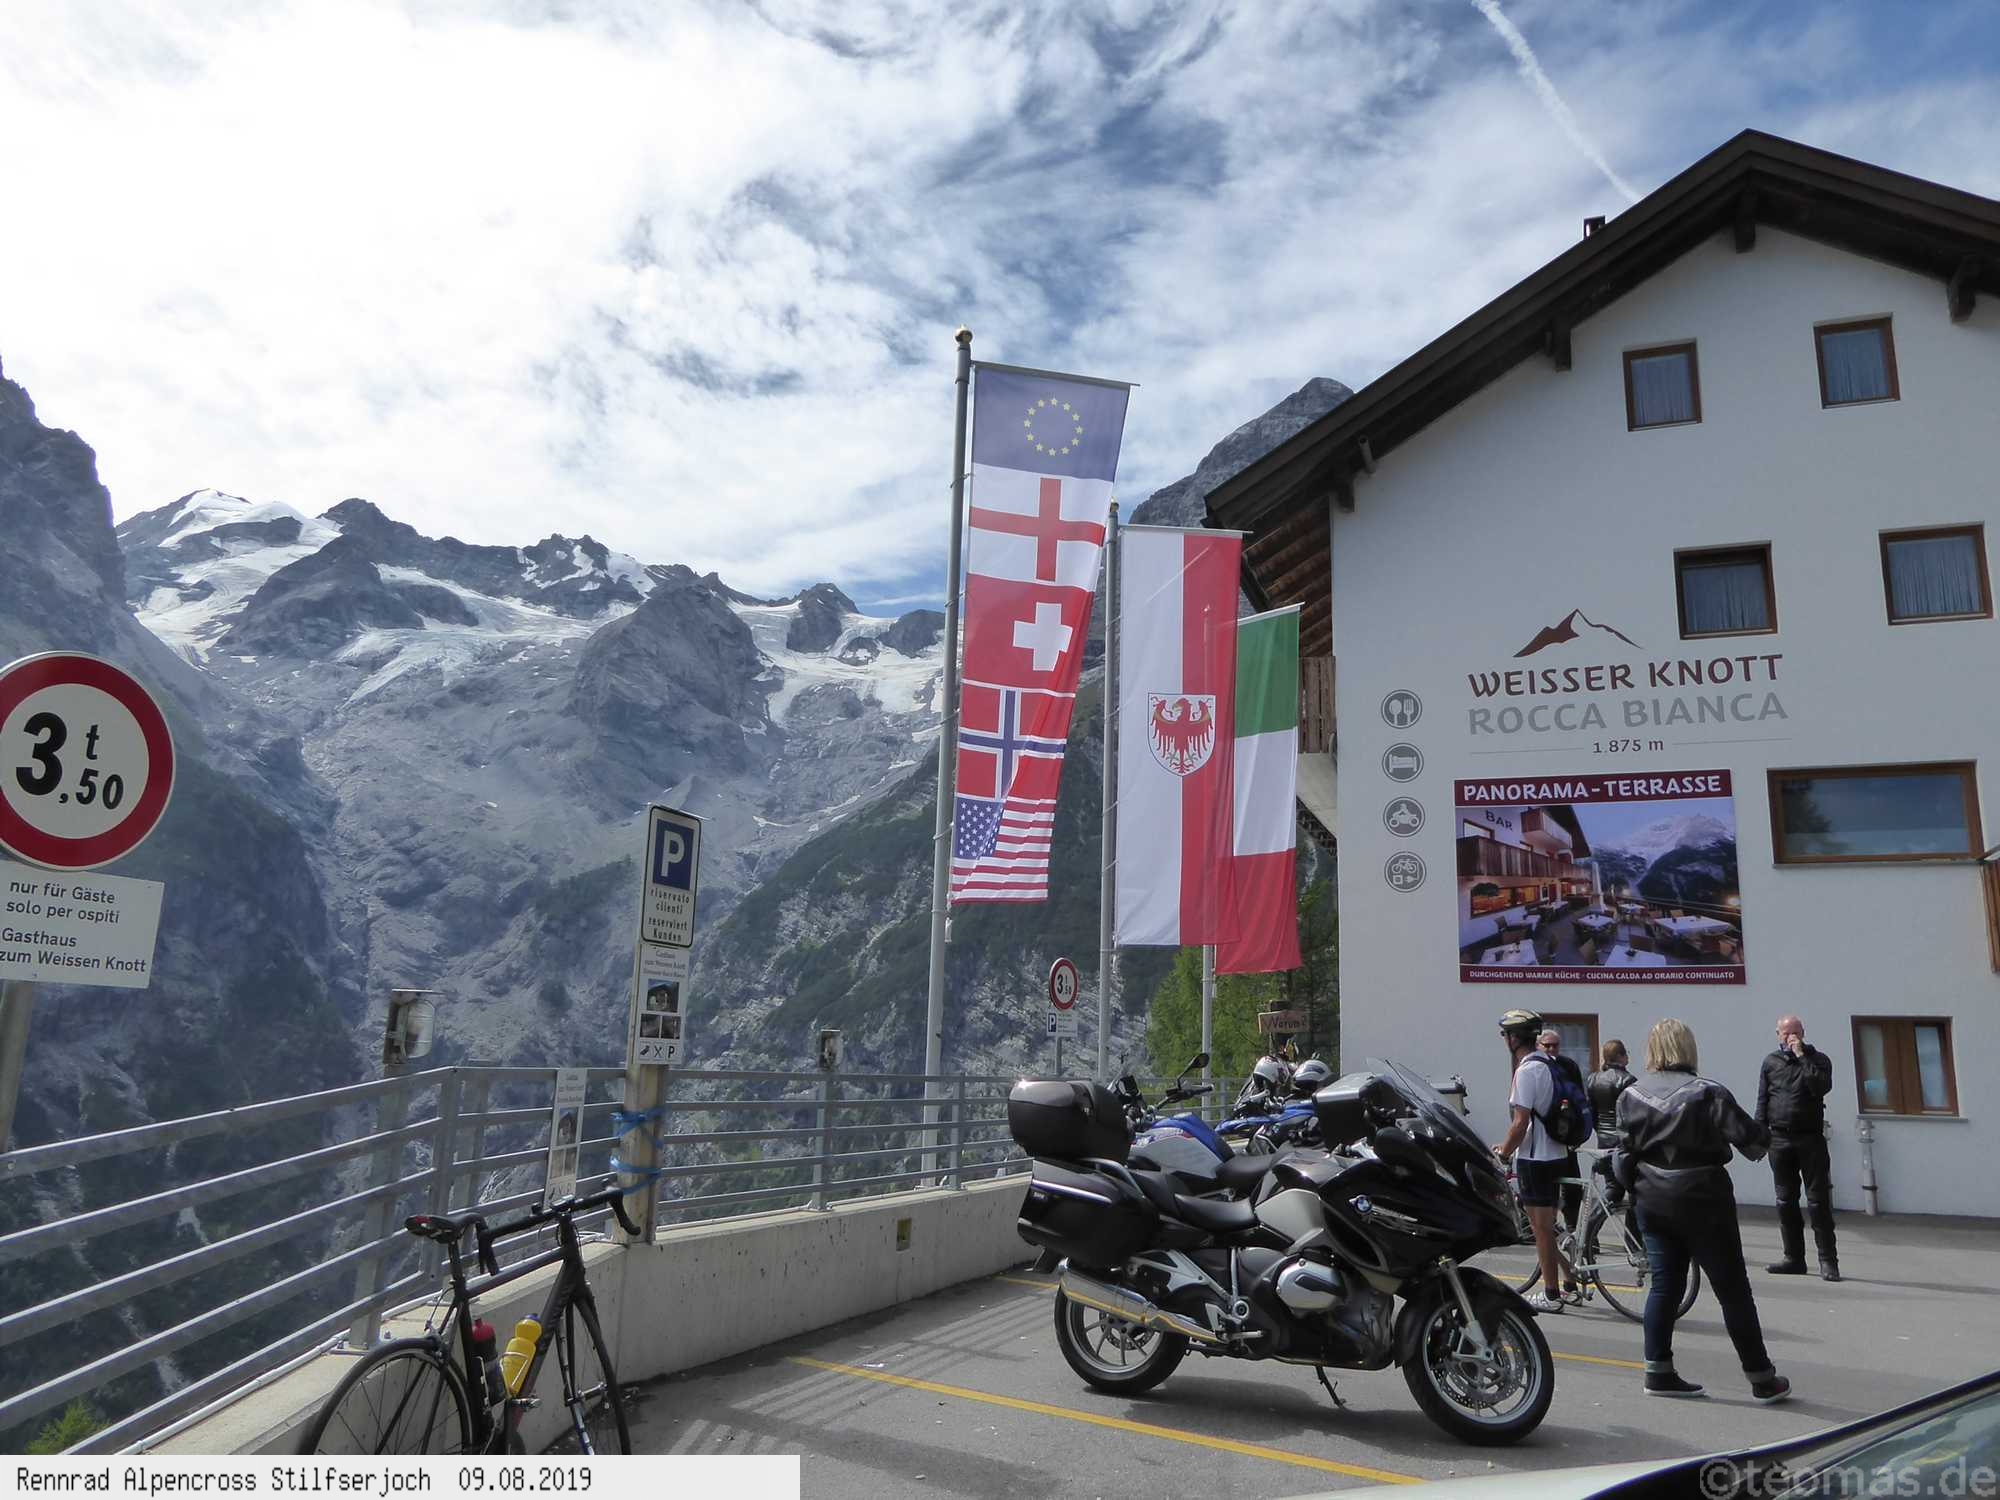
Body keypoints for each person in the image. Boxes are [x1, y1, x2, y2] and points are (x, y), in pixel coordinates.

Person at [1614, 1019, 1791, 1404]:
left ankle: (1658, 1372)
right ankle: (1762, 1378)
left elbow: (1623, 1152)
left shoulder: (1630, 1095)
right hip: (1704, 1199)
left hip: (1652, 1198)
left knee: (1664, 1287)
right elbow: (1753, 1142)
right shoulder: (1708, 1092)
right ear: (1688, 1048)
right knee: (1732, 1291)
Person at [1492, 1009, 1567, 1314]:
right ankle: (1571, 1280)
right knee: (1544, 1226)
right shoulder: (1548, 1063)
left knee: (1541, 1229)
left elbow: (1520, 1122)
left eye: (1505, 1035)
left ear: (1513, 1038)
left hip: (1535, 1159)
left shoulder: (1526, 1070)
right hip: (1556, 1154)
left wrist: (1503, 1154)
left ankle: (1551, 1293)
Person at [1756, 1014, 1839, 1281]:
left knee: (1818, 1201)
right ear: (1777, 1035)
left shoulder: (1818, 1060)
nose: (1791, 1037)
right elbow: (1763, 1100)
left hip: (1810, 1139)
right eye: (1786, 1033)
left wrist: (1802, 1056)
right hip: (1779, 1140)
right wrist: (1758, 1136)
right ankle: (1793, 1258)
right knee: (1785, 1201)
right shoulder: (1770, 1062)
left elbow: (1820, 1087)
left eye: (1795, 1032)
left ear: (1803, 1033)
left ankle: (1828, 1261)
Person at [1538, 1030, 1588, 1245]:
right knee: (1548, 1188)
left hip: (1566, 1135)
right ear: (1539, 1045)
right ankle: (1551, 1231)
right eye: (1547, 1045)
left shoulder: (1568, 1066)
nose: (1551, 1049)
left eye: (1555, 1045)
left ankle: (1575, 1231)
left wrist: (1578, 1133)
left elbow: (1579, 1100)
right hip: (1544, 1137)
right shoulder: (1534, 1067)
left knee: (1572, 1186)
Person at [1587, 1039, 1639, 1206]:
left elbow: (1592, 1112)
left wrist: (1600, 1131)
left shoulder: (1593, 1079)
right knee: (1633, 1189)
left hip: (1603, 1140)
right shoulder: (1628, 1080)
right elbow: (1631, 1114)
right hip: (1623, 1142)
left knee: (1613, 1187)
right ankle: (1593, 1219)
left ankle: (1592, 1221)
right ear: (1621, 1056)